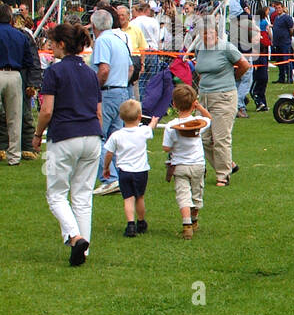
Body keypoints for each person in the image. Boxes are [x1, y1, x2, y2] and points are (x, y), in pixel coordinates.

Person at [34, 22, 101, 265]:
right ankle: (83, 251)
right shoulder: (91, 74)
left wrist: (37, 134)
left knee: (56, 194)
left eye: (52, 43)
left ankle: (75, 237)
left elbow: (46, 110)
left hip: (64, 135)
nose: (50, 47)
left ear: (62, 44)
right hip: (92, 136)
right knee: (83, 196)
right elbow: (98, 112)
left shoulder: (55, 71)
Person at [192, 14, 250, 187]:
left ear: (216, 33)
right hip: (204, 97)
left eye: (210, 33)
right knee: (202, 137)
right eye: (203, 34)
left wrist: (231, 78)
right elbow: (200, 70)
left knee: (220, 137)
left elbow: (244, 65)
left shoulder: (226, 48)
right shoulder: (200, 48)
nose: (207, 37)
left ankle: (223, 176)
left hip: (224, 96)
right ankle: (227, 164)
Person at [88, 7, 133, 196]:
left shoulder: (102, 41)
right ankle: (120, 177)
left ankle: (109, 178)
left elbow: (104, 69)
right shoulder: (119, 39)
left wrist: (94, 87)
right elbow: (131, 68)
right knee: (116, 139)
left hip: (107, 93)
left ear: (94, 26)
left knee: (98, 137)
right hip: (122, 91)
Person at [102, 99, 160, 237]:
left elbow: (109, 153)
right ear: (140, 117)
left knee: (128, 198)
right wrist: (153, 122)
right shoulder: (143, 131)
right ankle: (141, 222)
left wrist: (106, 168)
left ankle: (130, 225)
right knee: (139, 197)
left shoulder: (116, 135)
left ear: (121, 117)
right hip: (141, 171)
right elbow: (150, 128)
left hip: (124, 172)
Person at [161, 84, 211, 240]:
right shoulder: (198, 122)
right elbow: (209, 119)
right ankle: (194, 219)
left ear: (174, 104)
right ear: (193, 103)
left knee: (183, 195)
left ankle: (187, 223)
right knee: (197, 194)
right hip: (197, 165)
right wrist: (200, 107)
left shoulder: (170, 126)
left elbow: (166, 148)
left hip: (180, 166)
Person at [0, 2, 37, 166]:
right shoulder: (21, 35)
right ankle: (14, 156)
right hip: (15, 74)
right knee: (15, 116)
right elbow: (29, 60)